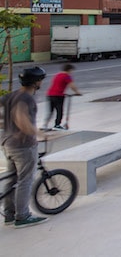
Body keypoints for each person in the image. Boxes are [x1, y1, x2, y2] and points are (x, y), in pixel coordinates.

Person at [1, 66, 48, 228]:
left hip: (7, 143)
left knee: (11, 179)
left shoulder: (11, 95)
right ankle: (22, 216)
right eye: (41, 79)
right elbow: (22, 119)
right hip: (23, 145)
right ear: (36, 82)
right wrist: (38, 133)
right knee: (25, 180)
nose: (42, 82)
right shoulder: (26, 98)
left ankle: (9, 214)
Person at [44, 63, 81, 130]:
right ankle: (57, 125)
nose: (72, 72)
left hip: (50, 94)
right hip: (58, 96)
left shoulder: (57, 75)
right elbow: (72, 86)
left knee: (50, 111)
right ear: (69, 70)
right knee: (59, 111)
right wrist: (78, 92)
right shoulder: (66, 76)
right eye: (72, 71)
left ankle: (45, 125)